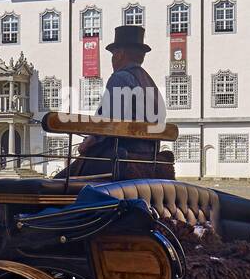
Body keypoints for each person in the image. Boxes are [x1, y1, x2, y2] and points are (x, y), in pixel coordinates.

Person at [56, 25, 172, 180]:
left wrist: (90, 140)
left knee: (59, 180)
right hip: (148, 156)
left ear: (119, 54)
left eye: (113, 54)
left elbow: (109, 123)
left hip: (119, 156)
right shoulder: (149, 82)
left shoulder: (120, 78)